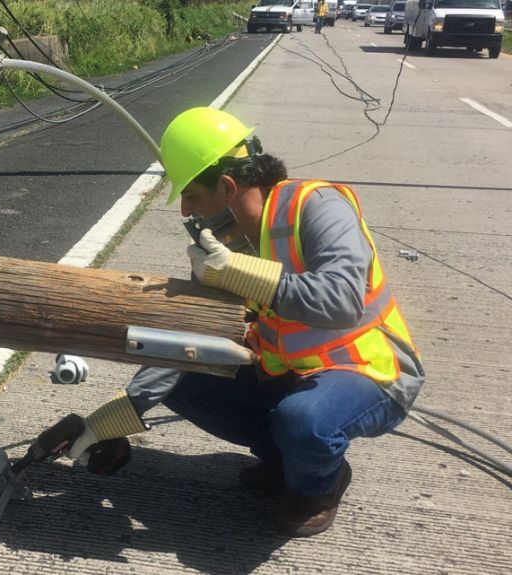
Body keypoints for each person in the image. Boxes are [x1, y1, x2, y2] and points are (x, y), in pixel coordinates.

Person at [50, 107, 425, 537]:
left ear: (227, 187)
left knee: (302, 420)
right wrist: (110, 420)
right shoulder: (231, 243)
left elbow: (342, 302)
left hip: (370, 370)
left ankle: (317, 487)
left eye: (191, 195)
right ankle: (286, 460)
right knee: (184, 381)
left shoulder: (318, 208)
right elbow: (190, 337)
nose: (185, 209)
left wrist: (241, 274)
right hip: (291, 370)